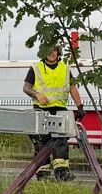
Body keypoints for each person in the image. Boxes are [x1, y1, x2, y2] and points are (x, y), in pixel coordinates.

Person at [23, 37, 76, 180]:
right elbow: (26, 87)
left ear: (58, 52)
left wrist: (80, 105)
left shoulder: (65, 68)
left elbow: (72, 87)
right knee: (42, 143)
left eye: (54, 50)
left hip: (60, 109)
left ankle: (62, 174)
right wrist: (37, 94)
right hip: (41, 110)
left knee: (61, 142)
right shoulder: (36, 68)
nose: (52, 53)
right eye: (49, 50)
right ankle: (43, 175)